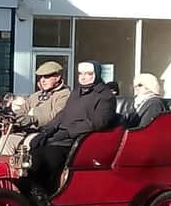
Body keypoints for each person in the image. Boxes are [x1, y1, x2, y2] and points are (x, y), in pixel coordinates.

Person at [28, 60, 117, 194]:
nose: (83, 76)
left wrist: (69, 132)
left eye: (88, 73)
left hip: (80, 141)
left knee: (42, 159)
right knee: (31, 153)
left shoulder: (106, 96)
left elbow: (98, 123)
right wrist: (46, 131)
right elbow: (63, 114)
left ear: (97, 74)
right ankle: (31, 194)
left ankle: (45, 198)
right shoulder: (76, 93)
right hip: (61, 137)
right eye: (81, 73)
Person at [0, 61, 71, 155]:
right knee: (6, 140)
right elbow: (21, 111)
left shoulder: (64, 95)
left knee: (30, 143)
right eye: (41, 77)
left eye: (46, 77)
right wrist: (14, 118)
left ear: (57, 77)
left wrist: (33, 118)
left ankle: (27, 169)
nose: (43, 80)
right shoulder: (35, 96)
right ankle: (9, 168)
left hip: (49, 135)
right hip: (27, 132)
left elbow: (56, 116)